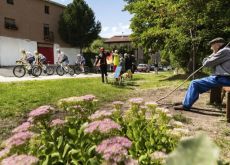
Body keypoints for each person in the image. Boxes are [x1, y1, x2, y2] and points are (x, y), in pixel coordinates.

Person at [174, 37, 230, 111]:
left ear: (216, 45)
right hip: (224, 78)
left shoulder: (224, 51)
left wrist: (213, 53)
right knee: (198, 83)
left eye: (212, 46)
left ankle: (186, 105)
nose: (211, 48)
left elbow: (206, 63)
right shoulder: (226, 51)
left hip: (224, 78)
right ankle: (186, 101)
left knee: (194, 83)